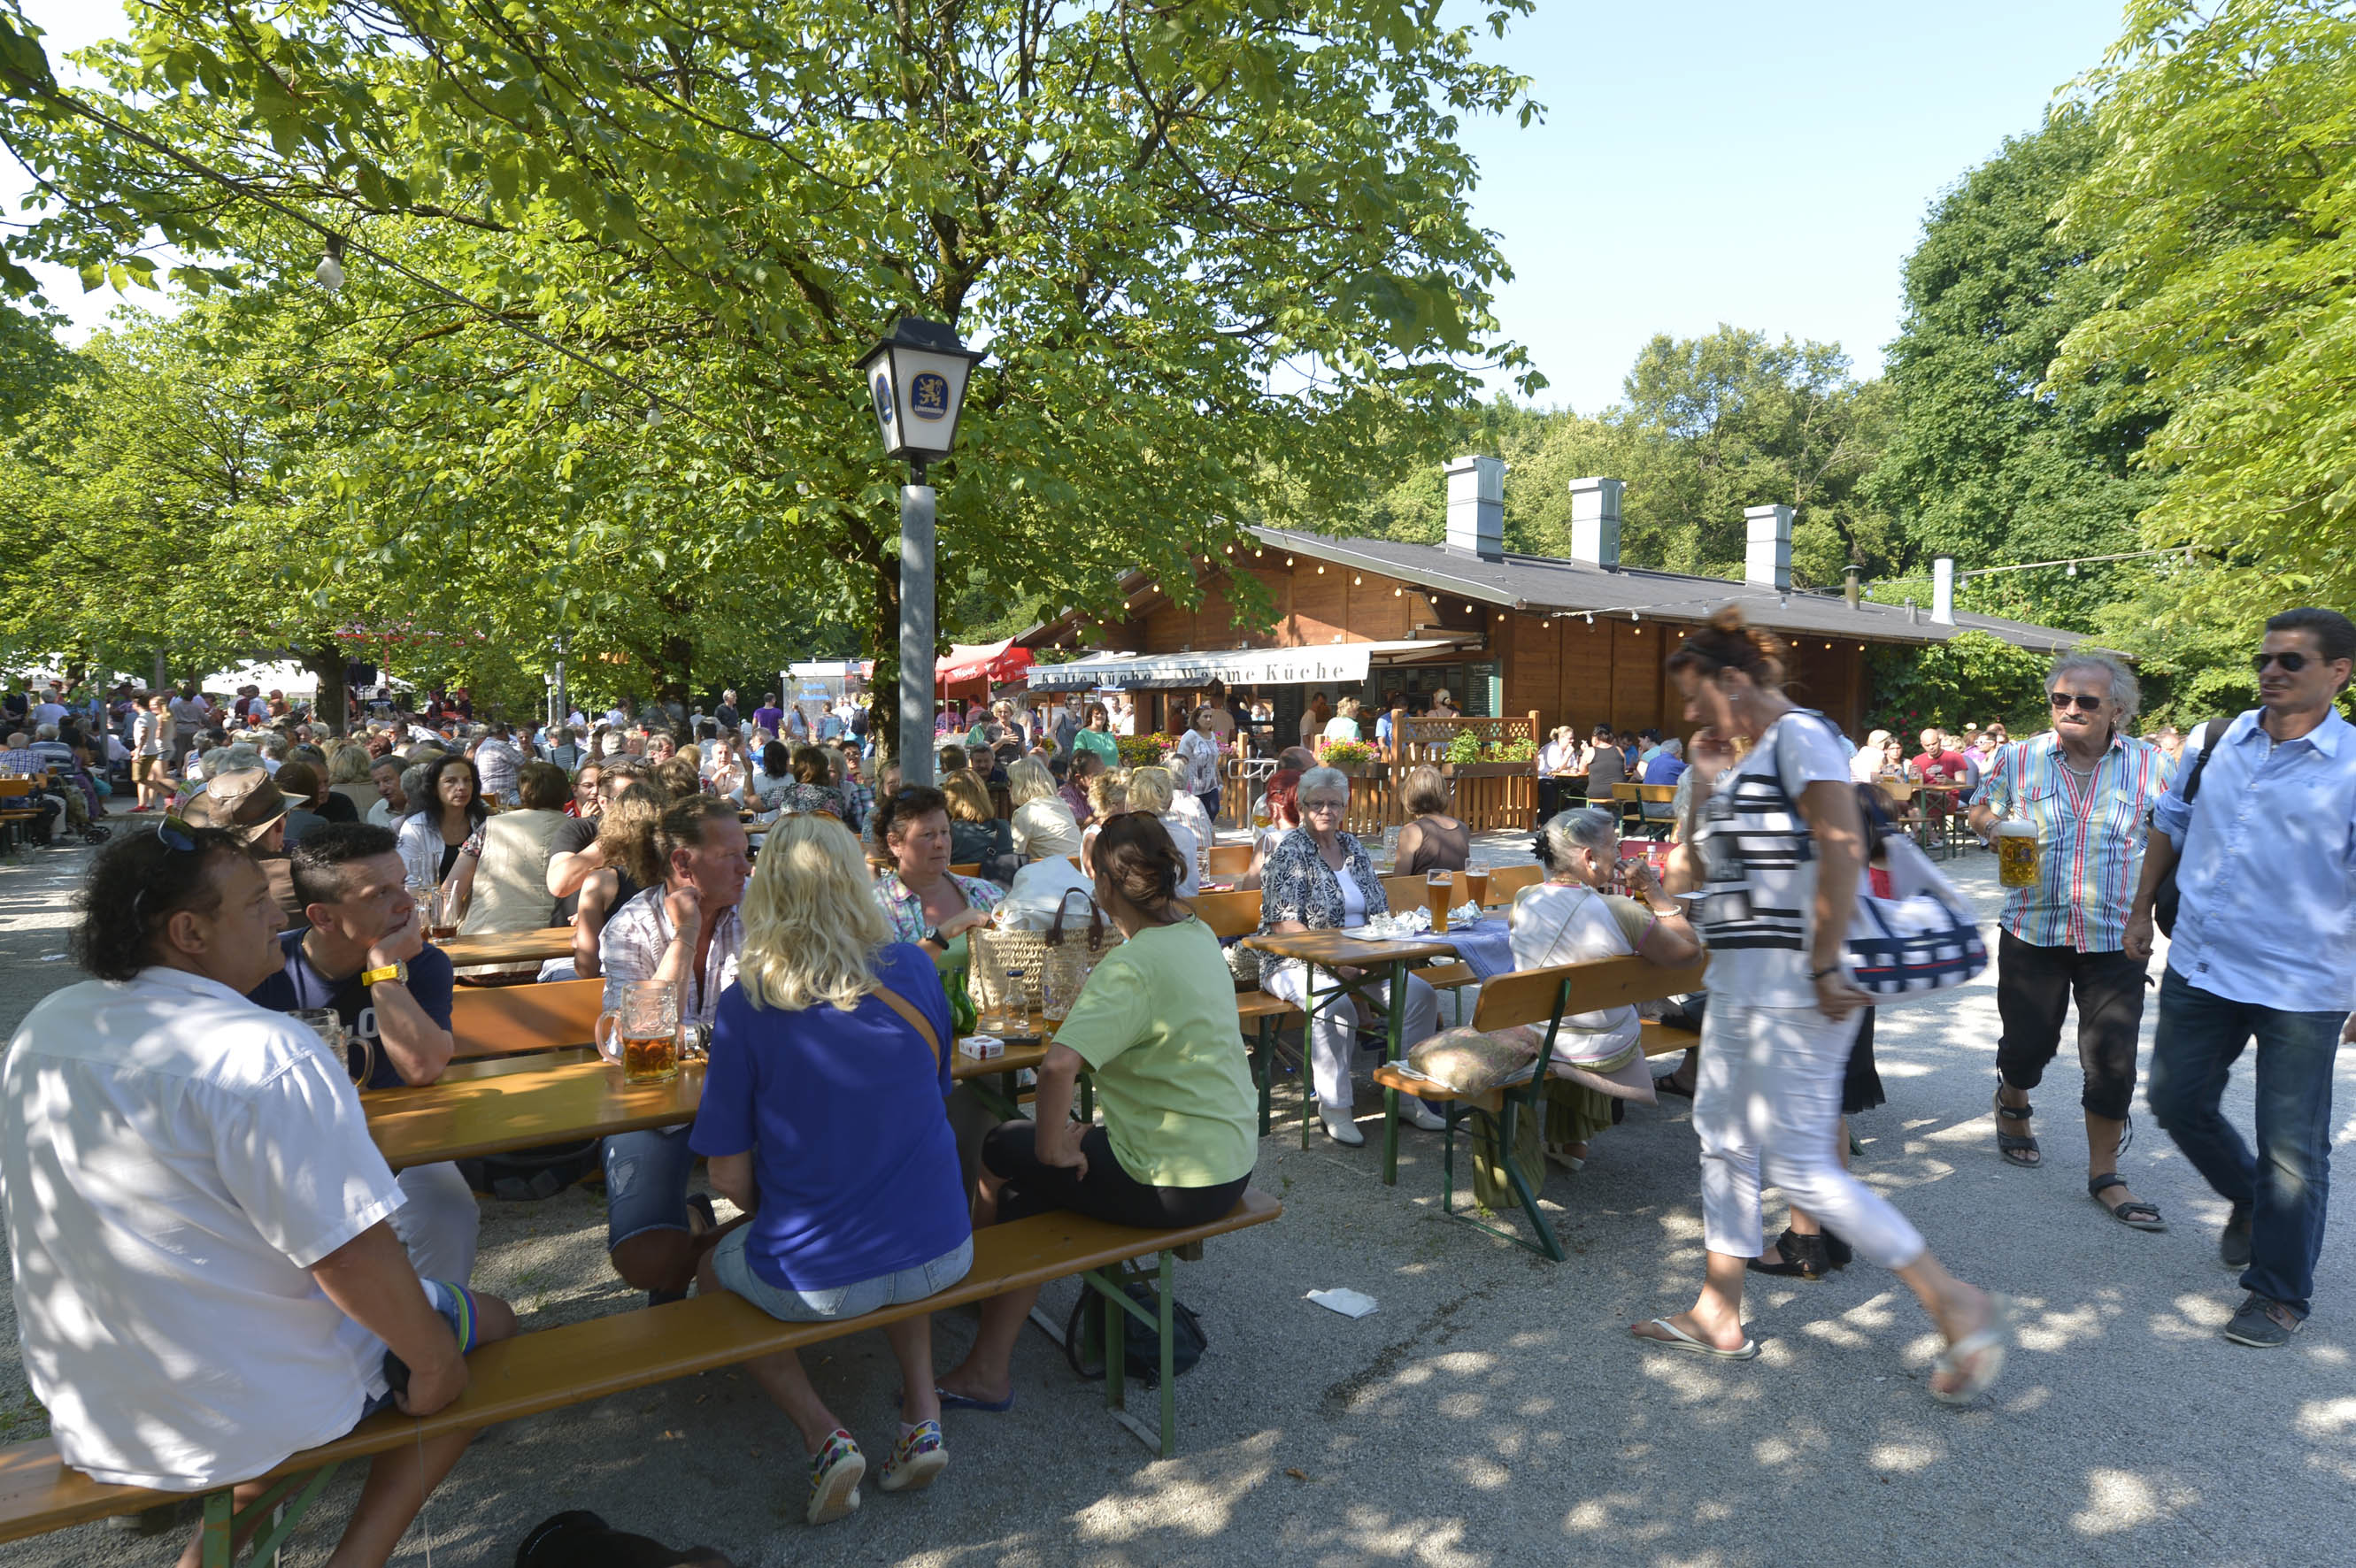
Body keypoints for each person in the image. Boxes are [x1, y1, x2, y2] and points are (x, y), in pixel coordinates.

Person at [3, 826, 514, 1566]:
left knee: (302, 1365)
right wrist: (434, 1366)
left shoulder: (46, 1026)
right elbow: (350, 1256)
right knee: (484, 1333)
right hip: (247, 1406)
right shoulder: (264, 1049)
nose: (279, 915)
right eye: (253, 904)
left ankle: (208, 1556)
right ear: (189, 933)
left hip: (95, 1408)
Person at [1642, 606, 2007, 1402]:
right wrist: (1705, 785)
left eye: (1698, 696)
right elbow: (1692, 875)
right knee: (1722, 1140)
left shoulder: (1802, 736)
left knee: (1803, 1166)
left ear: (1733, 680)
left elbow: (1842, 848)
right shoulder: (1745, 759)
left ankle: (1953, 1301)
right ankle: (1718, 1311)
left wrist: (1826, 963)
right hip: (1739, 982)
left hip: (1794, 985)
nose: (1692, 713)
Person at [689, 814, 971, 1523]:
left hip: (822, 1281)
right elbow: (936, 1090)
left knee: (708, 1271)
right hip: (945, 1251)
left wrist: (792, 1205)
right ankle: (923, 1414)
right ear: (856, 882)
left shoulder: (748, 1002)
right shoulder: (913, 966)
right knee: (893, 1219)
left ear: (768, 893)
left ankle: (823, 1435)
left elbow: (726, 1180)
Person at [936, 813, 1257, 1413]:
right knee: (1030, 1191)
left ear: (1104, 886)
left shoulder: (1131, 966)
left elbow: (1058, 1067)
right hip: (1230, 1164)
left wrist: (1054, 1147)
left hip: (1173, 1182)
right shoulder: (1195, 932)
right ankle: (986, 1356)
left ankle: (975, 1294)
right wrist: (1072, 1141)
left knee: (1004, 1149)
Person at [2129, 607, 2356, 1348]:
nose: (2271, 671)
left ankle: (2278, 1293)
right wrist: (2140, 910)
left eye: (2291, 660)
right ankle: (2250, 1199)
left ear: (2338, 672)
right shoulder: (2215, 739)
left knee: (2294, 1146)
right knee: (2175, 1099)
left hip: (2302, 985)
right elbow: (2171, 822)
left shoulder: (2352, 764)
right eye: (2265, 658)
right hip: (2202, 963)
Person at [1967, 651, 2169, 1229]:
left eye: (2086, 700)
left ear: (2118, 710)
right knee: (2028, 1045)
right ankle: (2013, 1099)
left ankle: (2105, 1173)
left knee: (2112, 1061)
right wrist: (1993, 827)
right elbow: (1978, 808)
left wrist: (2148, 911)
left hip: (2115, 934)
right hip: (2033, 926)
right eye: (2061, 698)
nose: (2070, 708)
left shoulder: (2152, 764)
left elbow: (2170, 833)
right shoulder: (2019, 757)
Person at [247, 822, 480, 1285]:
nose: (407, 904)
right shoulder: (266, 971)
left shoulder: (422, 963)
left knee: (448, 1207)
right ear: (323, 917)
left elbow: (421, 1067)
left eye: (403, 884)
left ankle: (432, 1322)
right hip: (296, 1149)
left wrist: (382, 969)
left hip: (402, 1147)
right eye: (380, 894)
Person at [599, 798, 754, 1301]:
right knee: (644, 1262)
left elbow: (781, 1015)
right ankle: (693, 1229)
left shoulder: (760, 910)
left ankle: (703, 1255)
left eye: (746, 852)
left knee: (818, 1193)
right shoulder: (631, 924)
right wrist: (685, 934)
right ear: (683, 863)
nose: (746, 867)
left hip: (751, 1094)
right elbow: (631, 1043)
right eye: (730, 856)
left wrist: (686, 1038)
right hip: (656, 1103)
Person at [1497, 806, 1701, 1172]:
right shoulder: (1622, 910)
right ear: (1590, 858)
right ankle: (1571, 1139)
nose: (1621, 855)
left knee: (1564, 1014)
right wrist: (1653, 889)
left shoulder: (1525, 897)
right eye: (1615, 847)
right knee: (1594, 1017)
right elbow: (1690, 954)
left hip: (1543, 1034)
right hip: (1605, 1046)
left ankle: (1561, 1142)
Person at [1257, 765, 1448, 1145]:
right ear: (1302, 806)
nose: (1325, 811)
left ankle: (1406, 1095)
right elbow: (1283, 925)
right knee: (1336, 1005)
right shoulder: (1289, 851)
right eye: (1316, 804)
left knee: (1420, 996)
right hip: (1296, 960)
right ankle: (1335, 1107)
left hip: (1363, 960)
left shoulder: (1353, 847)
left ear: (1345, 808)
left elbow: (1378, 908)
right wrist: (1335, 962)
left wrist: (1381, 950)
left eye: (1334, 804)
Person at [449, 761, 574, 965]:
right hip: (558, 958)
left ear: (522, 794)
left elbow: (452, 891)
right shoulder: (580, 831)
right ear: (565, 793)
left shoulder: (490, 827)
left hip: (485, 957)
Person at [871, 785, 1005, 961]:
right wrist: (946, 932)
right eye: (928, 834)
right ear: (895, 843)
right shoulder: (875, 905)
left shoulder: (986, 894)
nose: (940, 843)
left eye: (944, 832)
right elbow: (887, 971)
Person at [397, 753, 488, 890]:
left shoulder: (483, 822)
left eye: (467, 780)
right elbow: (410, 883)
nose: (462, 787)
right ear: (434, 788)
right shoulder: (415, 827)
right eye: (451, 781)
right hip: (432, 901)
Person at [1122, 765, 1201, 895]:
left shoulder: (1120, 836)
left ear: (1130, 801)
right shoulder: (1185, 836)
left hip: (1133, 906)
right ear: (1169, 803)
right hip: (1179, 906)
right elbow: (1191, 887)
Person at [941, 768, 1017, 883]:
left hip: (965, 890)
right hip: (1002, 890)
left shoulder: (950, 832)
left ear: (951, 799)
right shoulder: (1004, 827)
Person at [1393, 764, 1470, 876]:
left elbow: (1399, 880)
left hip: (1425, 887)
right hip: (1456, 887)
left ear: (1409, 794)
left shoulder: (1411, 831)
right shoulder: (1462, 828)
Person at [1007, 757, 1083, 862]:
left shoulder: (1024, 813)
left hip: (1052, 870)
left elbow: (1014, 856)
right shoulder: (1060, 803)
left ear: (1019, 784)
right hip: (1077, 868)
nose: (1008, 787)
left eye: (1009, 782)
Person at [1912, 726, 1972, 849]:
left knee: (1919, 802)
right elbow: (1914, 783)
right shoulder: (1917, 760)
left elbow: (1962, 784)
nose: (1931, 747)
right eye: (1927, 745)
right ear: (1922, 744)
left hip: (1948, 797)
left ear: (1939, 741)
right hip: (1925, 797)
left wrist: (1949, 781)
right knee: (1909, 801)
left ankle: (1929, 837)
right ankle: (1933, 836)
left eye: (1934, 743)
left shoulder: (1954, 757)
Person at [1174, 705, 1226, 825]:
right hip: (1194, 785)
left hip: (1210, 784)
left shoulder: (1212, 735)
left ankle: (1206, 831)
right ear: (1197, 719)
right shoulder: (1190, 736)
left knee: (1214, 810)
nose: (1208, 719)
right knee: (1197, 816)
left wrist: (1219, 778)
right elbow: (1180, 760)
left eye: (1210, 717)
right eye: (1205, 716)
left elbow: (1213, 760)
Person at [1079, 772, 1128, 877]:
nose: (1129, 807)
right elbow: (1094, 875)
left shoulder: (1119, 828)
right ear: (1114, 805)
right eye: (1126, 802)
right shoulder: (1093, 836)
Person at [131, 692, 173, 811]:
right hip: (151, 750)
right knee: (144, 778)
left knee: (139, 778)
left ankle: (169, 793)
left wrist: (138, 751)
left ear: (136, 704)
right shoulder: (151, 716)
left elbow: (143, 735)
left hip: (145, 752)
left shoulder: (143, 717)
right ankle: (142, 804)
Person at [474, 723, 522, 804]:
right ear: (503, 732)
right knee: (528, 807)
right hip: (505, 793)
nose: (508, 735)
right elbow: (524, 764)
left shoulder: (481, 748)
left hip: (485, 794)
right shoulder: (500, 745)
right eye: (507, 732)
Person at [1059, 749, 1102, 826]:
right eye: (1097, 775)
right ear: (1079, 778)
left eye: (1103, 773)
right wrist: (1103, 809)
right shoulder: (1065, 795)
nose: (1103, 779)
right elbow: (1079, 827)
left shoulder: (1096, 789)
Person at [1072, 703, 1120, 769]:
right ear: (1090, 716)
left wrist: (1123, 771)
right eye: (1096, 714)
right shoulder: (1082, 735)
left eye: (1102, 714)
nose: (1100, 716)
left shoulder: (1109, 735)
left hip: (1113, 774)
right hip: (1094, 775)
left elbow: (1115, 758)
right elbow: (1077, 761)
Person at [1585, 723, 1627, 799]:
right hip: (1619, 793)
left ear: (1595, 738)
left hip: (1596, 793)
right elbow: (1623, 769)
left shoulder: (1589, 751)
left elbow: (1582, 770)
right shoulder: (1619, 750)